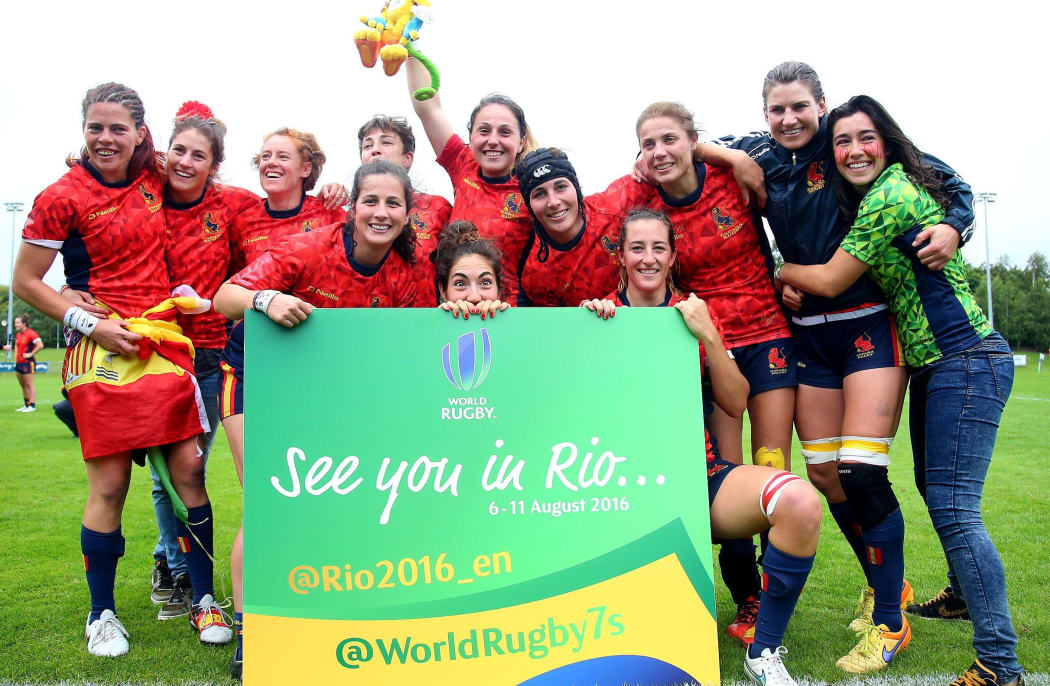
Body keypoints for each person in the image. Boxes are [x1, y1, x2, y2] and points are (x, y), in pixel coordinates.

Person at [699, 63, 977, 638]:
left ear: (820, 105)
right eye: (777, 109)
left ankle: (887, 613)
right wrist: (725, 155)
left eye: (800, 106)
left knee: (861, 471)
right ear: (765, 114)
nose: (789, 118)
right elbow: (677, 146)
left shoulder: (849, 140)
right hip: (808, 334)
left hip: (868, 324)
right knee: (824, 475)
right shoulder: (761, 151)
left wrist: (955, 226)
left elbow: (946, 180)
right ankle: (886, 584)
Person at [777, 95, 1024, 685]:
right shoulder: (864, 195)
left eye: (866, 138)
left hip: (965, 356)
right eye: (842, 142)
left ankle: (999, 663)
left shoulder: (888, 193)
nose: (854, 150)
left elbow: (834, 276)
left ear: (885, 141)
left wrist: (779, 271)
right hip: (935, 364)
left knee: (955, 510)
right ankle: (962, 597)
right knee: (938, 495)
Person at [12, 82, 231, 657]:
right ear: (82, 129)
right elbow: (26, 282)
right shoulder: (60, 195)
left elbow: (200, 163)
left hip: (162, 339)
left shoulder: (155, 175)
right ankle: (101, 614)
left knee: (189, 470)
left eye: (117, 129)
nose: (105, 139)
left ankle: (204, 599)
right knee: (110, 484)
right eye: (95, 128)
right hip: (101, 342)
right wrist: (90, 323)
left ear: (140, 134)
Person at [582, 209, 821, 686]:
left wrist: (708, 332)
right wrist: (590, 329)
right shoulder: (595, 316)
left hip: (698, 481)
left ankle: (765, 648)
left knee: (799, 501)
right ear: (621, 256)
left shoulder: (693, 315)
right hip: (617, 491)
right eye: (637, 248)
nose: (648, 258)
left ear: (672, 257)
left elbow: (734, 403)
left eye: (658, 249)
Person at [213, 158, 419, 679]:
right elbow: (223, 298)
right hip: (253, 380)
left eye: (393, 203)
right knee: (268, 503)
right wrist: (267, 299)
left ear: (407, 213)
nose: (381, 211)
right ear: (352, 206)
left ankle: (321, 615)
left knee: (333, 506)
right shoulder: (307, 247)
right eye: (371, 200)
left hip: (327, 396)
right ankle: (249, 629)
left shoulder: (408, 273)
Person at [405, 57, 534, 303]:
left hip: (508, 315)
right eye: (484, 130)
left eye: (505, 132)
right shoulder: (463, 164)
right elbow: (427, 106)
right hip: (456, 309)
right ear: (471, 137)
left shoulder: (534, 190)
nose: (493, 140)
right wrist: (409, 46)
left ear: (520, 143)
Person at [515, 148, 658, 307]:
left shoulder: (616, 202)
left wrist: (645, 159)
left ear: (576, 189)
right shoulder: (536, 273)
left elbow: (674, 167)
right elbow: (555, 329)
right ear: (529, 206)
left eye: (560, 187)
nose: (553, 202)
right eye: (539, 194)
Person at [358, 113, 451, 299]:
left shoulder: (437, 207)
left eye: (386, 143)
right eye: (367, 145)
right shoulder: (350, 210)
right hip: (364, 319)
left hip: (422, 320)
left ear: (407, 158)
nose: (375, 150)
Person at [432, 220, 510, 319]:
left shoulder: (515, 329)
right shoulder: (431, 330)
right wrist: (438, 320)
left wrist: (509, 321)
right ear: (443, 291)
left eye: (485, 282)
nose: (474, 298)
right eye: (460, 283)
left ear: (499, 291)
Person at [4, 315, 44, 412]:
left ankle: (32, 405)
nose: (15, 325)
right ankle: (26, 404)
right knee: (23, 385)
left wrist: (30, 354)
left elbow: (40, 345)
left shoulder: (31, 333)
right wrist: (16, 356)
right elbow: (17, 346)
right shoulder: (18, 335)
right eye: (15, 323)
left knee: (29, 384)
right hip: (19, 363)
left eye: (17, 323)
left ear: (24, 324)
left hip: (28, 363)